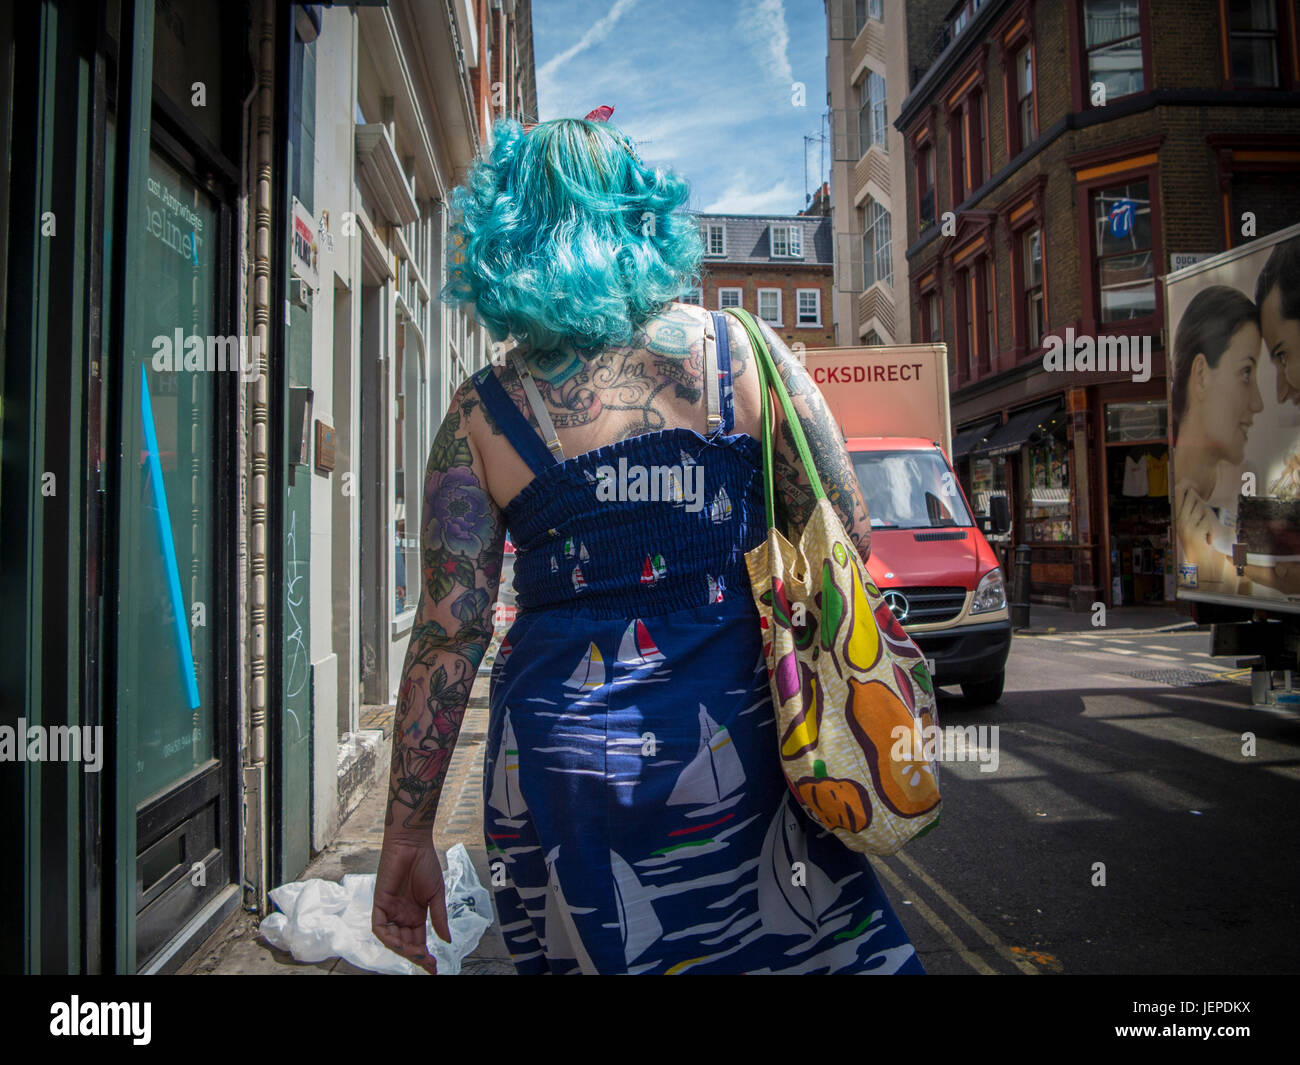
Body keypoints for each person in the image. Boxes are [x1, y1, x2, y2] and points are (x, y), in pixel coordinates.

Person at [370, 111, 925, 974]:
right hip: (747, 749)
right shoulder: (744, 353)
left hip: (560, 775)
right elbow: (846, 535)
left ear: (509, 237)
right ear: (642, 219)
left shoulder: (481, 412)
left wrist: (407, 831)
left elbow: (449, 633)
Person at [1169, 285, 1263, 589]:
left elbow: (1255, 580)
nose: (1258, 402)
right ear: (1200, 375)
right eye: (1246, 372)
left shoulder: (1250, 479)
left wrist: (1214, 571)